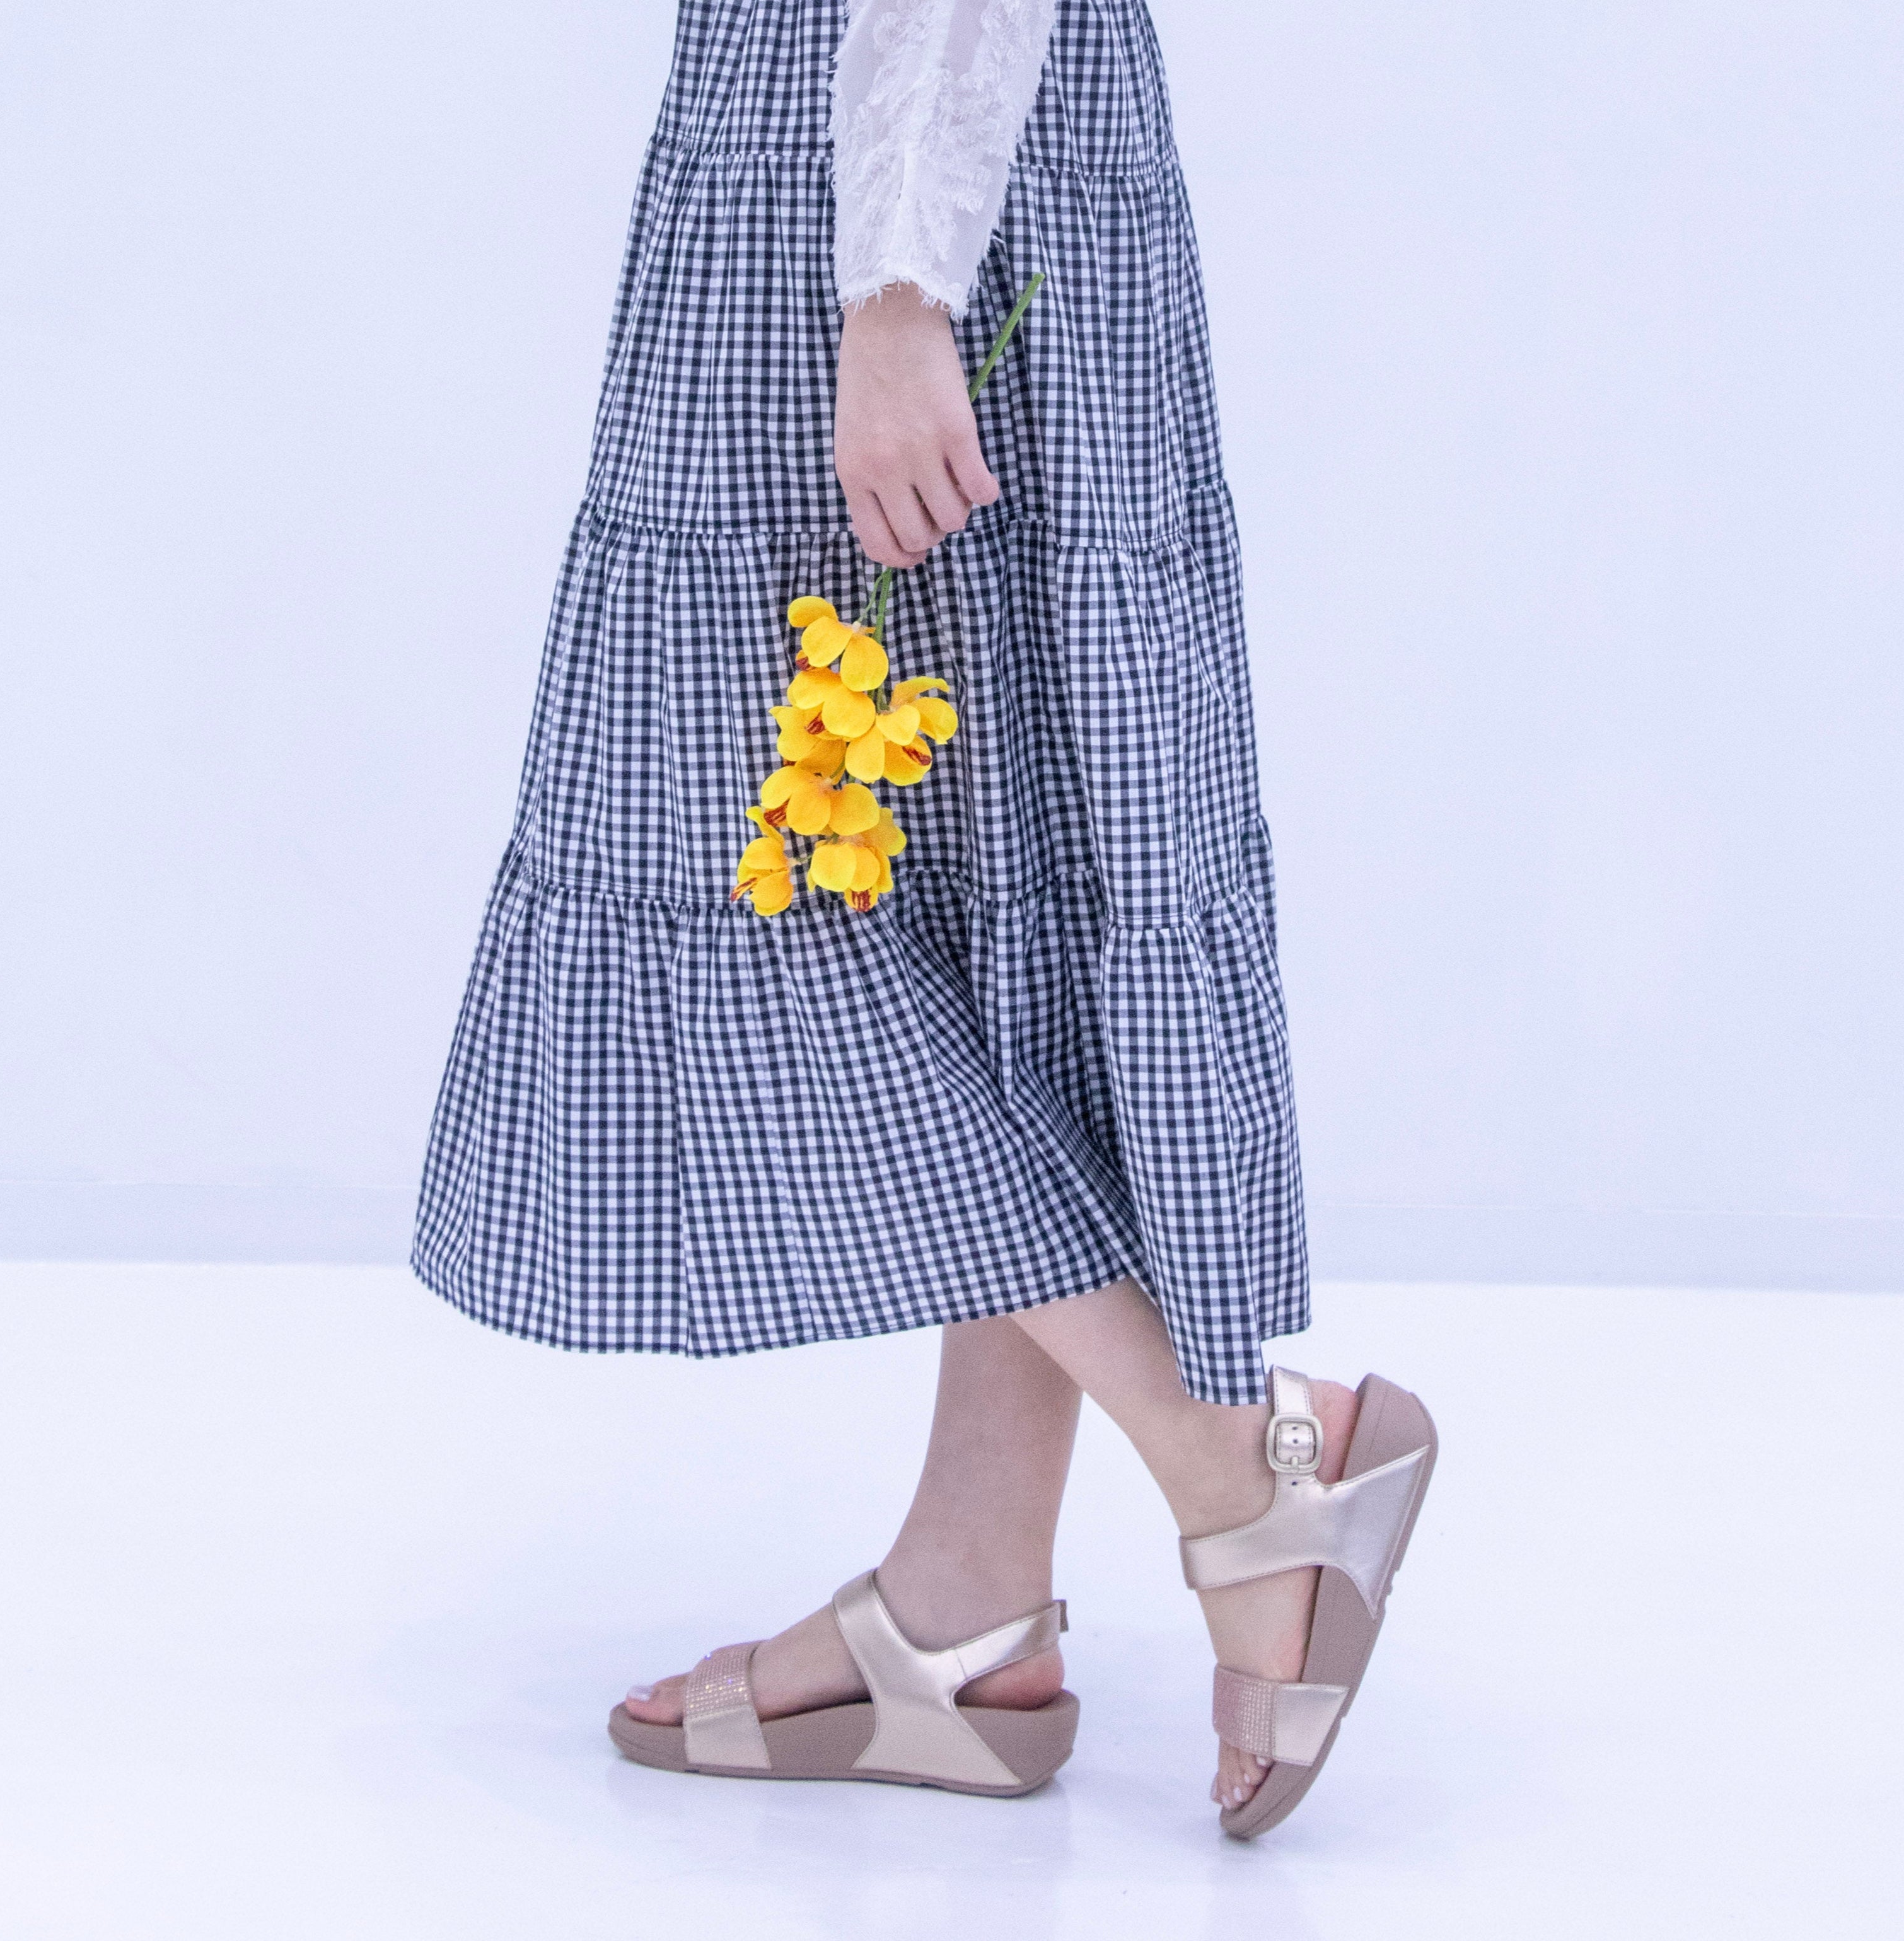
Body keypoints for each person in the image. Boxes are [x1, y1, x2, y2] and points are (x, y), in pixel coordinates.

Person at [413, 0, 1436, 1837]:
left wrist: (896, 286)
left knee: (761, 858)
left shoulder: (894, 248)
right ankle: (968, 1600)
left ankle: (1240, 1464)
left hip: (895, 167)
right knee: (975, 884)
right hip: (917, 142)